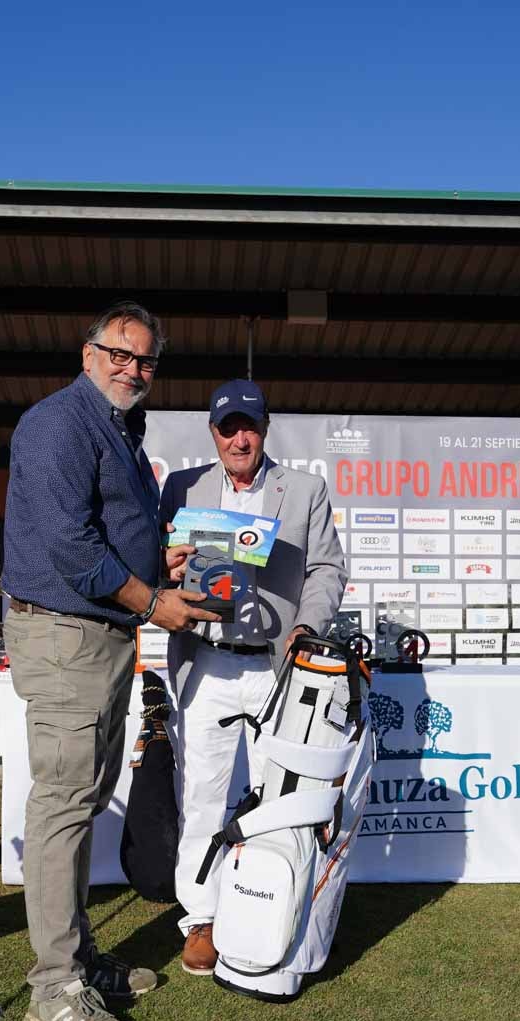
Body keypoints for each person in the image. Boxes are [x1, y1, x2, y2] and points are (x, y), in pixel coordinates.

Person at [1, 301, 219, 1021]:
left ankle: (79, 955)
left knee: (85, 795)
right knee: (63, 802)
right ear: (88, 350)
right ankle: (54, 987)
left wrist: (163, 565)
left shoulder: (120, 428)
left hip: (101, 636)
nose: (133, 368)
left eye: (146, 359)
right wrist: (155, 600)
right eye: (119, 353)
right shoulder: (61, 421)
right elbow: (72, 546)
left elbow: (113, 538)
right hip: (66, 634)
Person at [159, 379, 346, 976]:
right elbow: (150, 566)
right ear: (212, 432)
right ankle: (202, 920)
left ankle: (278, 908)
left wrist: (307, 626)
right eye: (227, 426)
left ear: (265, 428)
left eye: (249, 425)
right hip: (205, 663)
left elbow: (327, 569)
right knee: (202, 799)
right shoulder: (182, 488)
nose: (239, 438)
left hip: (275, 666)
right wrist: (164, 567)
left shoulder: (306, 491)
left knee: (281, 800)